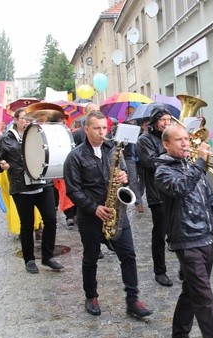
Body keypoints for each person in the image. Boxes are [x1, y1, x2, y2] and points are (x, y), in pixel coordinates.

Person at [154, 124, 213, 338]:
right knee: (204, 298)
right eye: (179, 140)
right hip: (186, 240)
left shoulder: (193, 165)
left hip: (206, 237)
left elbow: (211, 198)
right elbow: (180, 188)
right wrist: (201, 162)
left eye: (186, 138)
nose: (185, 143)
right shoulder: (163, 171)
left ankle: (179, 336)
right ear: (166, 144)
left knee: (192, 291)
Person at [63, 110, 153, 319]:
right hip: (91, 216)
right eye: (97, 128)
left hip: (116, 211)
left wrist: (124, 177)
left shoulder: (114, 150)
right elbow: (73, 190)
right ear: (86, 129)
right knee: (91, 258)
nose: (102, 132)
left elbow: (126, 177)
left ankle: (133, 300)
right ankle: (91, 296)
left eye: (105, 128)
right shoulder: (75, 156)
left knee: (129, 255)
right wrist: (94, 207)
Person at [0, 106, 64, 274]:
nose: (27, 121)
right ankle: (29, 259)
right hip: (21, 187)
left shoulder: (38, 133)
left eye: (29, 118)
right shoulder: (6, 139)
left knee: (51, 220)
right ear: (15, 120)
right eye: (23, 118)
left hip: (43, 184)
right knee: (27, 224)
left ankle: (48, 257)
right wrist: (0, 166)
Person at [136, 106, 174, 287]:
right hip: (157, 193)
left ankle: (185, 269)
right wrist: (170, 151)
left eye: (169, 120)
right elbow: (151, 163)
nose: (167, 123)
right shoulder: (144, 140)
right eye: (163, 120)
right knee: (160, 233)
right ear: (155, 122)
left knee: (177, 230)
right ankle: (160, 271)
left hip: (174, 189)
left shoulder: (170, 137)